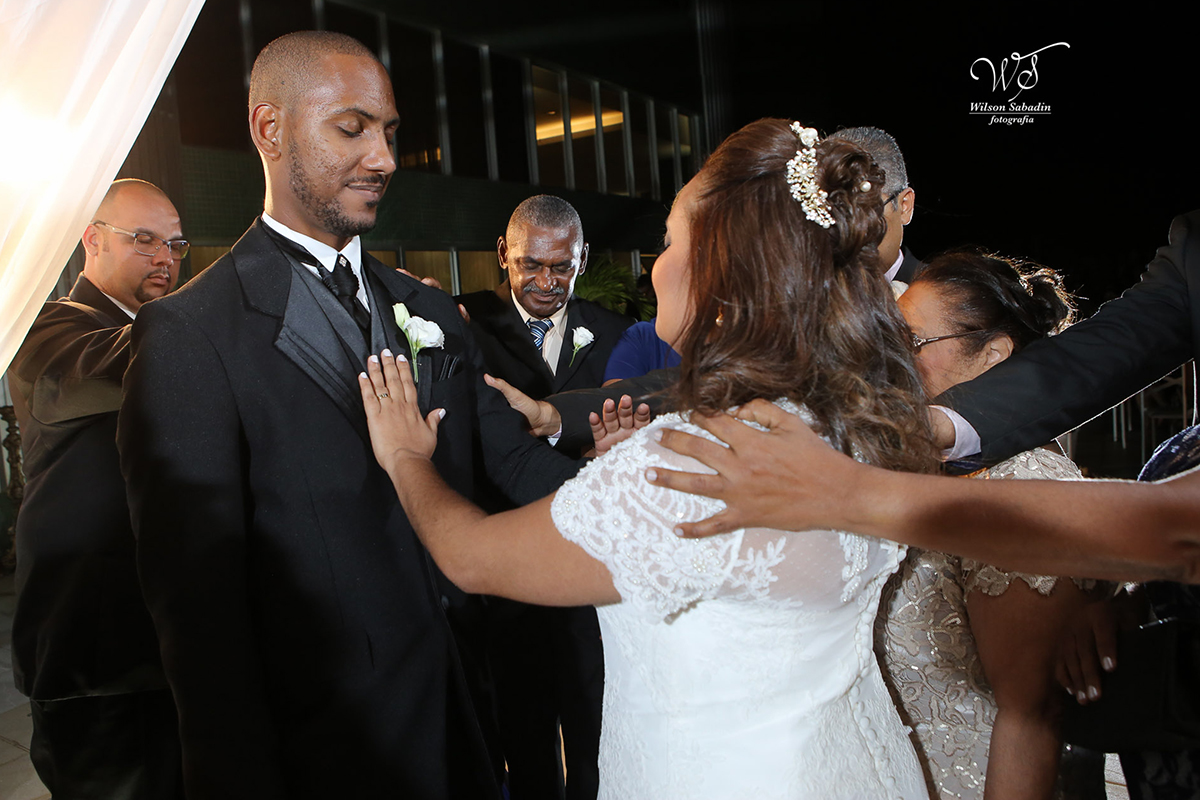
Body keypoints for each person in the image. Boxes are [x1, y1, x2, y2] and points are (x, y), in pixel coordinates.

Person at [358, 118, 939, 798]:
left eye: (667, 240)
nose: (654, 264)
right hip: (853, 766)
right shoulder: (861, 422)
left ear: (719, 268)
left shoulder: (696, 460)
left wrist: (404, 456)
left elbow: (472, 556)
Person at [117, 31, 578, 800]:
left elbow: (513, 463)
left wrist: (654, 489)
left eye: (390, 132)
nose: (386, 158)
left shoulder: (431, 310)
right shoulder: (191, 336)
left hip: (464, 717)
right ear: (271, 130)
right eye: (352, 128)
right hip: (325, 752)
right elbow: (200, 621)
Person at [880, 249, 1097, 800]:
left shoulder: (1026, 481)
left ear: (995, 354)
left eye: (914, 342)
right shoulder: (921, 464)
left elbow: (1034, 712)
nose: (891, 360)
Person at [6, 178, 184, 798]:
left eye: (176, 245)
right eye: (145, 240)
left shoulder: (167, 332)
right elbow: (82, 377)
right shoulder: (46, 327)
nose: (165, 257)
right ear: (91, 239)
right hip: (94, 652)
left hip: (165, 640)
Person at [455, 195, 631, 800]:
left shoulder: (615, 333)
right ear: (503, 254)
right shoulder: (463, 324)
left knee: (596, 725)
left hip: (592, 562)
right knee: (521, 729)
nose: (546, 282)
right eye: (531, 265)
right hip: (509, 563)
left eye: (562, 267)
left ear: (582, 260)